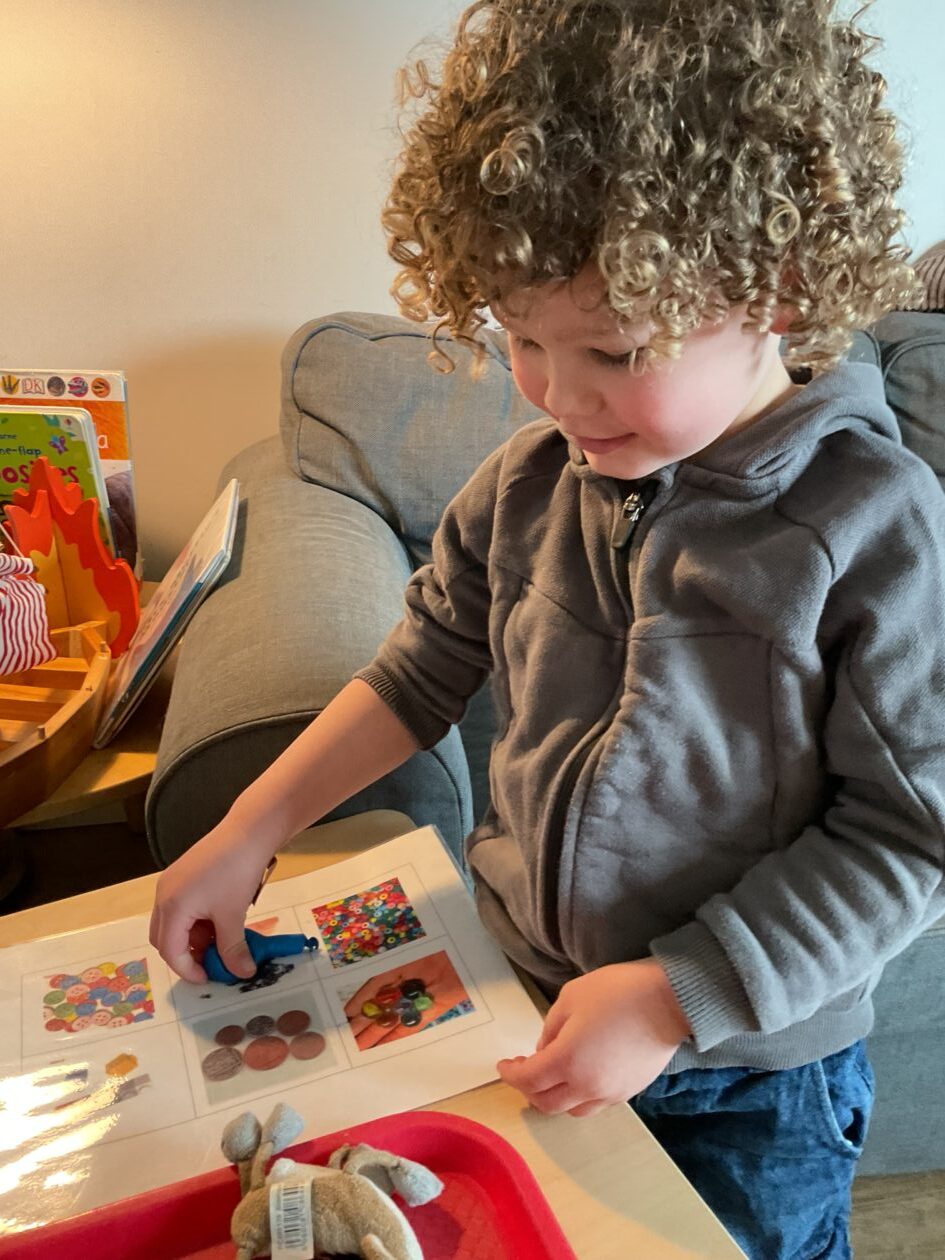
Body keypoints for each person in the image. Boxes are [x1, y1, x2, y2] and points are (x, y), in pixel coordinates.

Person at [151, 2, 945, 1255]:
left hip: (749, 1081)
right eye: (520, 337)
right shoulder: (530, 483)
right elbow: (416, 672)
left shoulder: (873, 525)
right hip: (516, 996)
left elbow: (911, 834)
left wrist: (680, 997)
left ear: (782, 291)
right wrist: (251, 827)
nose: (559, 395)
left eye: (615, 351)